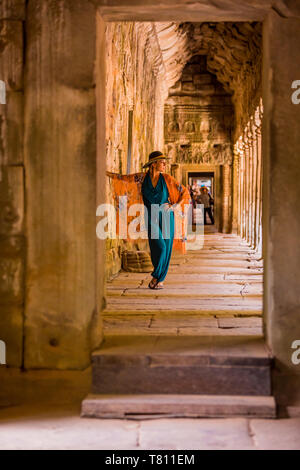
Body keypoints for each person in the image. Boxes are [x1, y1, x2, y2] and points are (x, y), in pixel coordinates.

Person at [106, 151, 191, 290]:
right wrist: (106, 173)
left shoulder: (167, 179)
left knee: (166, 248)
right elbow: (124, 179)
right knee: (157, 247)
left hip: (166, 216)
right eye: (162, 162)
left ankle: (159, 278)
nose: (164, 164)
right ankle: (157, 276)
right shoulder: (142, 178)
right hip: (150, 215)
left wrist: (175, 206)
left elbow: (184, 192)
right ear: (153, 164)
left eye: (165, 162)